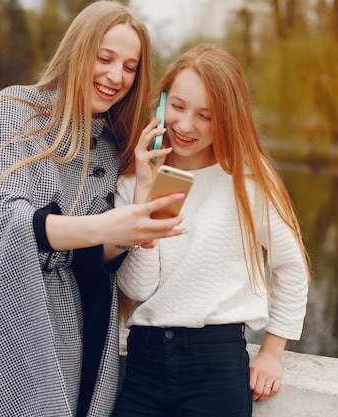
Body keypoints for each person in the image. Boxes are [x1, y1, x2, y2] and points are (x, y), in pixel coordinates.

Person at [0, 2, 184, 417]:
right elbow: (1, 222)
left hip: (71, 337)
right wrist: (105, 225)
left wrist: (137, 208)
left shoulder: (108, 147)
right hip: (0, 323)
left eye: (130, 67)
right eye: (104, 58)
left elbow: (90, 258)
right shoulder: (14, 110)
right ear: (77, 51)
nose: (116, 76)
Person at [112, 43, 310, 417]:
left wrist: (271, 352)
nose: (186, 126)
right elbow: (138, 289)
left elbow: (292, 268)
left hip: (215, 365)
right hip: (144, 365)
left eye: (206, 115)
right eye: (178, 107)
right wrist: (144, 195)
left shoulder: (247, 178)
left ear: (229, 118)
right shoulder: (134, 179)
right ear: (162, 103)